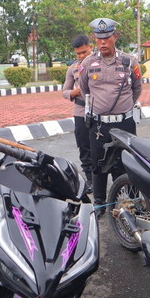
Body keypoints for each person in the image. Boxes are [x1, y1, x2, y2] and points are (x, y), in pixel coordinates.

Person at [79, 18, 142, 216]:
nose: (103, 42)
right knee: (98, 166)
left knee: (127, 163)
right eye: (99, 39)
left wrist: (123, 108)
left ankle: (130, 202)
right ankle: (100, 205)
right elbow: (84, 89)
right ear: (95, 40)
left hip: (125, 123)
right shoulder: (88, 63)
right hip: (99, 125)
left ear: (115, 37)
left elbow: (137, 89)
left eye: (107, 38)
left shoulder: (129, 61)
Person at [62, 34, 93, 188]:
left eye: (84, 52)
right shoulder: (73, 69)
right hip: (80, 111)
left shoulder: (100, 65)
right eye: (78, 53)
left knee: (102, 147)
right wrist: (77, 91)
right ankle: (90, 179)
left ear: (91, 48)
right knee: (84, 146)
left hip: (101, 111)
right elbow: (65, 92)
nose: (81, 56)